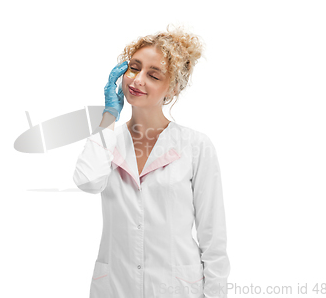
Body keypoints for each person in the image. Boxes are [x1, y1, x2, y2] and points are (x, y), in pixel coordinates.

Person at [73, 24, 230, 298]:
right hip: (115, 287)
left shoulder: (195, 146)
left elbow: (212, 237)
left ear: (173, 89)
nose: (137, 80)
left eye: (153, 75)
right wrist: (109, 116)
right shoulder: (109, 139)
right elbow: (88, 181)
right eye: (134, 67)